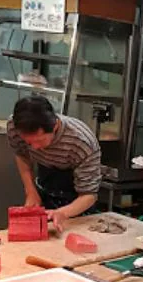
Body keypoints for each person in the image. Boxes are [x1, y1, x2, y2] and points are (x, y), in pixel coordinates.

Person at [7, 96, 102, 233]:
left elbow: (89, 195)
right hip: (46, 180)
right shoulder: (14, 126)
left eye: (40, 141)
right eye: (28, 142)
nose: (34, 148)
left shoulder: (82, 142)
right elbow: (22, 155)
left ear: (55, 126)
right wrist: (31, 191)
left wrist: (63, 212)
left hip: (76, 195)